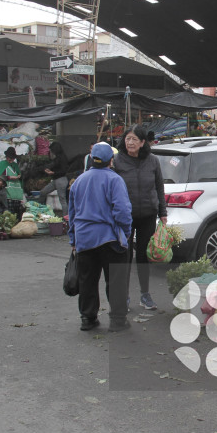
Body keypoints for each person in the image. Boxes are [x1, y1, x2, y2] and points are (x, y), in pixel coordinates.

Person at [68, 142, 133, 332]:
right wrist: (126, 233)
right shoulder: (115, 180)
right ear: (110, 161)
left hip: (84, 238)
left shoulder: (79, 181)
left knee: (87, 280)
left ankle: (88, 319)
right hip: (110, 238)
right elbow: (122, 211)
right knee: (116, 281)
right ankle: (118, 320)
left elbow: (71, 214)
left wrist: (73, 239)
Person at [113, 125, 167, 311]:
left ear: (143, 142)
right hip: (124, 217)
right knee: (125, 256)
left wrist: (163, 212)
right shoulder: (117, 161)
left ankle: (145, 295)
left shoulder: (152, 161)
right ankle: (124, 297)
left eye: (134, 139)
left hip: (148, 215)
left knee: (144, 256)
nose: (130, 142)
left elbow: (159, 187)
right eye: (128, 138)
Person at [36, 141, 69, 216]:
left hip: (61, 180)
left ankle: (65, 217)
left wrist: (53, 173)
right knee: (43, 192)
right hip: (56, 180)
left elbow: (64, 170)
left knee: (62, 200)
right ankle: (39, 210)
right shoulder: (57, 158)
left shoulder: (62, 158)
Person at [0, 147, 25, 219]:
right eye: (10, 158)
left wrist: (19, 176)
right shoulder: (2, 164)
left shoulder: (15, 165)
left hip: (17, 192)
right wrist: (10, 177)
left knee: (17, 211)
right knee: (9, 211)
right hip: (8, 191)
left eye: (12, 159)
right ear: (7, 157)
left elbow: (19, 174)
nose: (11, 160)